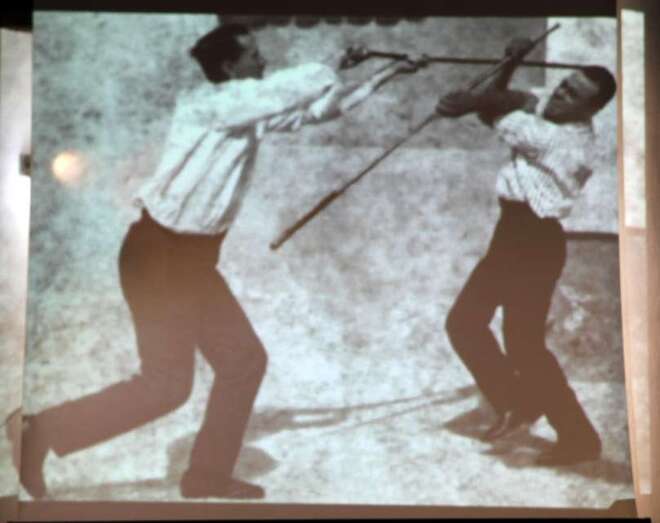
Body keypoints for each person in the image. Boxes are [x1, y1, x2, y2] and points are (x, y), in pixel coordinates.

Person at [16, 23, 425, 500]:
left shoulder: (247, 111)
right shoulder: (210, 104)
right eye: (253, 55)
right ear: (230, 66)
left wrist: (385, 74)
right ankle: (37, 431)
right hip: (157, 256)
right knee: (166, 387)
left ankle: (206, 476)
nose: (263, 60)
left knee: (243, 361)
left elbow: (315, 110)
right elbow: (281, 92)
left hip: (190, 262)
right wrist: (333, 61)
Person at [436, 37, 616, 466]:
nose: (559, 93)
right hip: (512, 235)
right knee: (465, 323)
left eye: (572, 94)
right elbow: (504, 102)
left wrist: (471, 98)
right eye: (564, 84)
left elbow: (491, 108)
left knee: (524, 346)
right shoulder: (550, 118)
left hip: (533, 242)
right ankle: (517, 401)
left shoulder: (556, 139)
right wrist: (510, 63)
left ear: (588, 111)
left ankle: (579, 439)